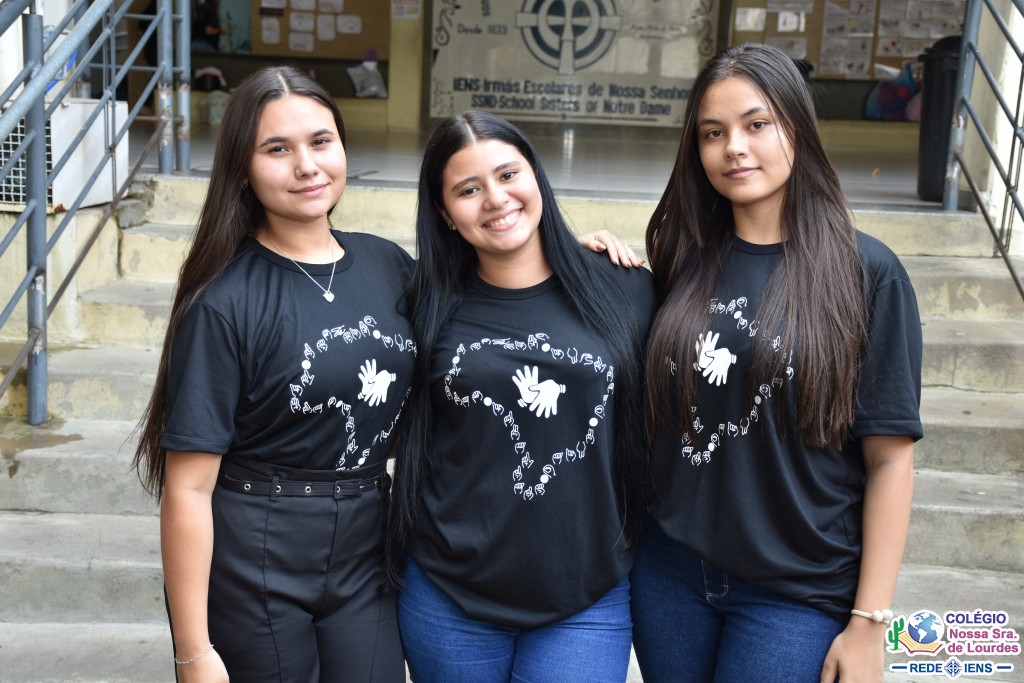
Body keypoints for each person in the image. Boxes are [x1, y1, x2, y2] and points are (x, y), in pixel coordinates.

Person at [630, 43, 923, 683]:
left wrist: (869, 622)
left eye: (756, 124)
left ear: (796, 126)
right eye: (713, 133)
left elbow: (890, 459)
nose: (734, 148)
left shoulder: (866, 273)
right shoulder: (681, 256)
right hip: (669, 572)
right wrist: (588, 262)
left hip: (796, 591)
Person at [131, 66, 413, 682]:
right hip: (256, 552)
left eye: (321, 141)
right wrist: (192, 651)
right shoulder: (224, 301)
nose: (307, 166)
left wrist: (567, 255)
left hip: (368, 544)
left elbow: (488, 314)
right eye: (277, 149)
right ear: (243, 169)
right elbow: (188, 489)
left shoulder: (391, 266)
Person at [386, 110, 656, 682]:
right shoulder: (422, 304)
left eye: (508, 175)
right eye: (467, 189)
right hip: (448, 595)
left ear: (536, 176)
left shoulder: (624, 288)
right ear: (445, 213)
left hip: (585, 596)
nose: (495, 199)